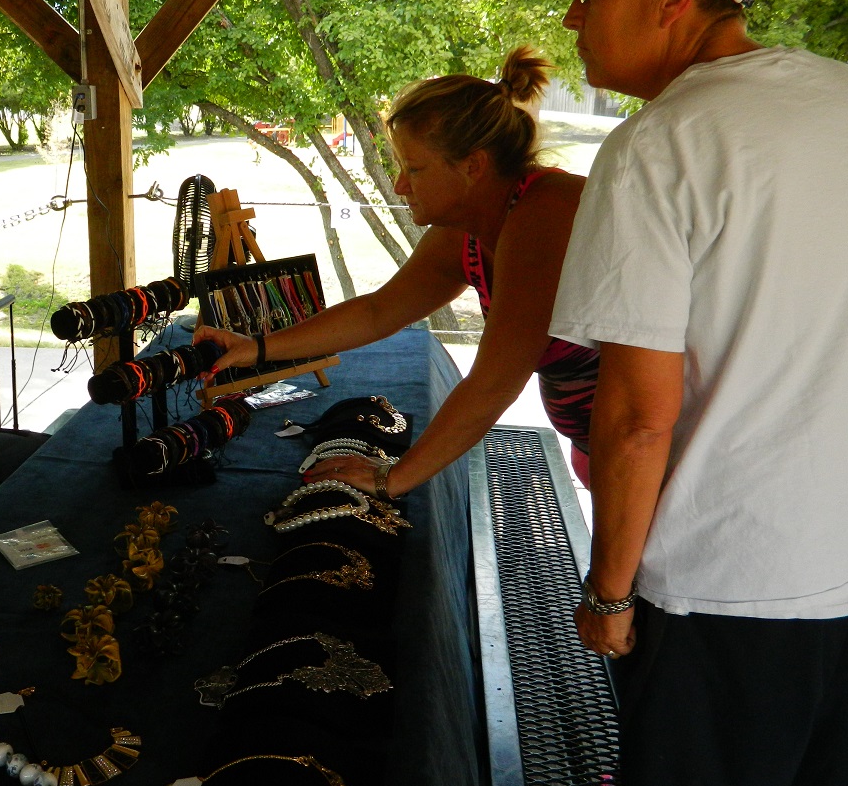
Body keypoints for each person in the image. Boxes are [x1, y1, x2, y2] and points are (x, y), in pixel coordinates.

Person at [535, 0, 848, 786]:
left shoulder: (659, 148)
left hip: (724, 581)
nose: (572, 18)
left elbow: (635, 418)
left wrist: (611, 594)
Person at [194, 46, 596, 497]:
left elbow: (493, 384)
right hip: (598, 451)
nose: (401, 185)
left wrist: (392, 477)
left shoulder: (545, 215)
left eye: (416, 169)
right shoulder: (468, 227)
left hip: (659, 458)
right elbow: (378, 311)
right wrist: (257, 348)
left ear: (473, 166)